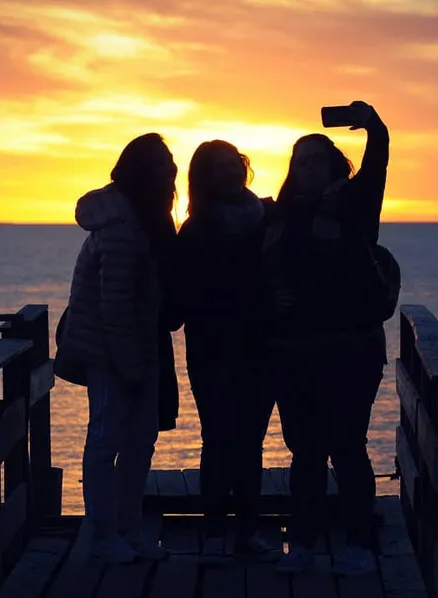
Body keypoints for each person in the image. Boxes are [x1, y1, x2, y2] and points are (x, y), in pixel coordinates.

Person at [264, 101, 389, 576]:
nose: (308, 168)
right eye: (300, 161)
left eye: (317, 159)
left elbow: (377, 163)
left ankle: (359, 543)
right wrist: (269, 300)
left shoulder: (356, 204)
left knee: (349, 446)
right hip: (293, 352)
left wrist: (375, 126)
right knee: (306, 451)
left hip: (350, 349)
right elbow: (255, 271)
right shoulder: (279, 217)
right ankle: (306, 543)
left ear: (336, 165)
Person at [56, 133, 178, 563]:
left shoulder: (141, 222)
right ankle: (104, 535)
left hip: (137, 350)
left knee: (139, 441)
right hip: (111, 354)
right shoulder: (123, 231)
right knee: (107, 440)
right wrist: (131, 365)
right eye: (162, 171)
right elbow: (116, 307)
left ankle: (128, 530)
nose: (169, 178)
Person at [175, 140, 279, 565]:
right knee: (218, 440)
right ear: (205, 178)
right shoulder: (196, 229)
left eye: (234, 163)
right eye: (218, 168)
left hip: (260, 347)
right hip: (213, 349)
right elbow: (185, 297)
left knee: (250, 443)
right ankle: (216, 531)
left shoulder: (266, 218)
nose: (231, 172)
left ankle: (248, 530)